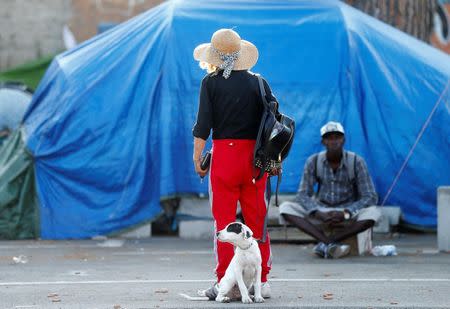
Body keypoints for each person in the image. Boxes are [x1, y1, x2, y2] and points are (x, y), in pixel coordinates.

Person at [192, 28, 276, 299]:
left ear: (215, 55)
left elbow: (203, 126)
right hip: (255, 160)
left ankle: (224, 284)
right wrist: (274, 160)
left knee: (224, 224)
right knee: (257, 220)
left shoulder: (210, 83)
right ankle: (261, 281)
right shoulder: (259, 83)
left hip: (225, 158)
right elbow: (273, 123)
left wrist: (198, 158)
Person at [279, 121, 381, 259]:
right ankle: (327, 241)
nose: (334, 141)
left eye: (337, 137)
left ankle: (330, 240)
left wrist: (347, 212)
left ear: (343, 140)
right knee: (286, 208)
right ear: (323, 142)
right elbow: (303, 195)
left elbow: (370, 196)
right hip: (322, 210)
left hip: (348, 211)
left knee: (373, 212)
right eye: (329, 138)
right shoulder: (313, 161)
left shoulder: (356, 161)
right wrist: (317, 212)